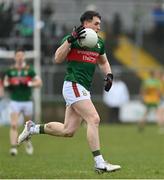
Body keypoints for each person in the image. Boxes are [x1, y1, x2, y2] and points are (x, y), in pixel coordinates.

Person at [18, 11, 121, 173]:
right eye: (96, 24)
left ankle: (32, 128)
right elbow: (57, 58)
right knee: (94, 118)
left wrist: (109, 75)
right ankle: (99, 162)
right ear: (85, 23)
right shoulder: (71, 39)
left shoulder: (99, 42)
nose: (99, 27)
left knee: (68, 130)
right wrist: (69, 41)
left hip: (83, 88)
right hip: (73, 84)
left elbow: (104, 61)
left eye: (99, 24)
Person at [4, 48, 42, 156]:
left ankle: (27, 141)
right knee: (14, 124)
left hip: (27, 101)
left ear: (24, 57)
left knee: (28, 126)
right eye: (18, 55)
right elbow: (6, 83)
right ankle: (13, 147)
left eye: (21, 55)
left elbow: (39, 83)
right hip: (15, 101)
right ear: (15, 57)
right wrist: (11, 83)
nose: (20, 57)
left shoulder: (29, 70)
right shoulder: (11, 71)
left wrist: (28, 83)